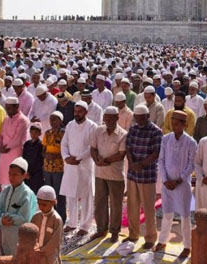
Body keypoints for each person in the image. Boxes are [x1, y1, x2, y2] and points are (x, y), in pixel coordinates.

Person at [154, 110, 196, 258]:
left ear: (184, 125)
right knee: (167, 213)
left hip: (182, 185)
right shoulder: (165, 139)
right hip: (167, 184)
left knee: (185, 216)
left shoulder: (191, 142)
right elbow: (161, 160)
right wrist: (165, 180)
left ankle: (187, 245)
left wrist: (179, 180)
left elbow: (192, 165)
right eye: (172, 122)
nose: (174, 125)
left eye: (177, 123)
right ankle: (162, 241)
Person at [124, 104, 163, 248]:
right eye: (137, 117)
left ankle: (150, 238)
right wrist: (132, 163)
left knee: (148, 208)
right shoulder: (133, 129)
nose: (139, 120)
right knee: (132, 206)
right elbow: (128, 148)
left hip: (147, 175)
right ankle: (133, 235)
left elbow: (156, 153)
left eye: (142, 118)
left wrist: (141, 165)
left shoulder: (156, 131)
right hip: (133, 174)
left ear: (147, 116)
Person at [90, 106, 127, 242]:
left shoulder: (123, 134)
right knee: (100, 202)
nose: (109, 121)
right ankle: (101, 229)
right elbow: (93, 148)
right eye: (107, 118)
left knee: (116, 204)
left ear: (117, 118)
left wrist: (104, 160)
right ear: (104, 118)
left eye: (112, 118)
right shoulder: (98, 130)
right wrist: (96, 161)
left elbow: (121, 155)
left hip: (115, 175)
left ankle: (115, 231)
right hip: (100, 173)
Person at [60, 101, 97, 236]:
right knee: (71, 194)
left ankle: (85, 226)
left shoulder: (92, 126)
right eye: (75, 111)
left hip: (85, 165)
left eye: (80, 112)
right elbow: (64, 143)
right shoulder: (70, 125)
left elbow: (92, 147)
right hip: (70, 164)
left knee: (86, 196)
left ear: (86, 112)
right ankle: (72, 223)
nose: (77, 114)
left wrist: (78, 158)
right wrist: (66, 157)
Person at [0, 157, 38, 256]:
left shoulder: (26, 193)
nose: (11, 177)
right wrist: (0, 221)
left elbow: (25, 218)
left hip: (18, 237)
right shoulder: (6, 190)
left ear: (24, 175)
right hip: (4, 235)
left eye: (15, 174)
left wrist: (6, 217)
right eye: (9, 174)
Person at [0, 96, 29, 187]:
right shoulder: (6, 119)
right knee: (4, 182)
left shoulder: (23, 120)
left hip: (15, 153)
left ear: (17, 106)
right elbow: (0, 134)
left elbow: (17, 139)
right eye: (6, 108)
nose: (8, 110)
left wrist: (5, 148)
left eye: (10, 108)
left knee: (14, 179)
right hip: (3, 154)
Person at [42, 111, 66, 222]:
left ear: (60, 121)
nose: (52, 121)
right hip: (47, 167)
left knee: (59, 193)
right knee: (49, 193)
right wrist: (46, 155)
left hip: (58, 167)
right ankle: (50, 215)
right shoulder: (47, 133)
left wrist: (55, 155)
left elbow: (65, 150)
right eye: (51, 119)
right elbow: (43, 149)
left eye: (55, 119)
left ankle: (61, 217)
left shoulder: (64, 133)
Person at [31, 185, 63, 264]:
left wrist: (42, 251)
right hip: (36, 255)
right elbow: (31, 235)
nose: (41, 207)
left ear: (53, 202)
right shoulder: (35, 217)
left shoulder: (57, 219)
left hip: (50, 257)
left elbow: (55, 241)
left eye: (44, 205)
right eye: (39, 204)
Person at [23, 122, 45, 193]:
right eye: (32, 133)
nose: (33, 135)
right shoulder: (27, 144)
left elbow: (40, 161)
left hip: (36, 174)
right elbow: (24, 157)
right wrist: (26, 172)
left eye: (36, 133)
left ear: (40, 134)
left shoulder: (41, 145)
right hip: (27, 173)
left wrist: (31, 173)